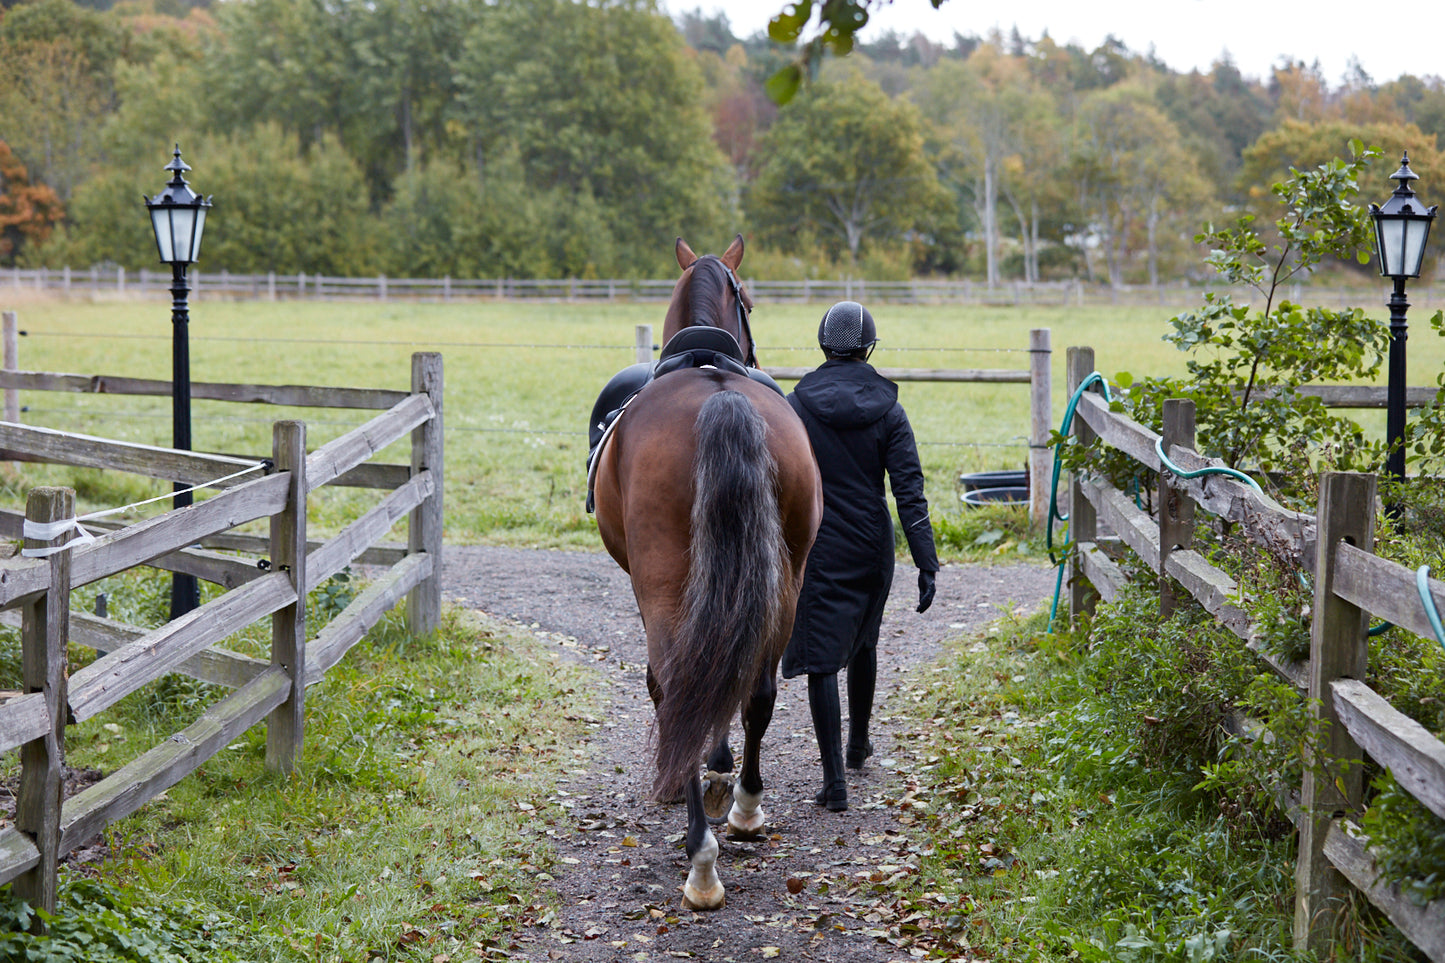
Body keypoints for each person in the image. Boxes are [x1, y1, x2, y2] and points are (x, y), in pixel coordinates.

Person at [782, 300, 938, 812]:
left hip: (819, 545)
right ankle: (858, 745)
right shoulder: (890, 410)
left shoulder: (796, 406)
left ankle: (834, 783)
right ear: (869, 346)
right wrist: (926, 561)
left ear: (824, 344)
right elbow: (909, 492)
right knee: (864, 642)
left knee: (821, 659)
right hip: (874, 546)